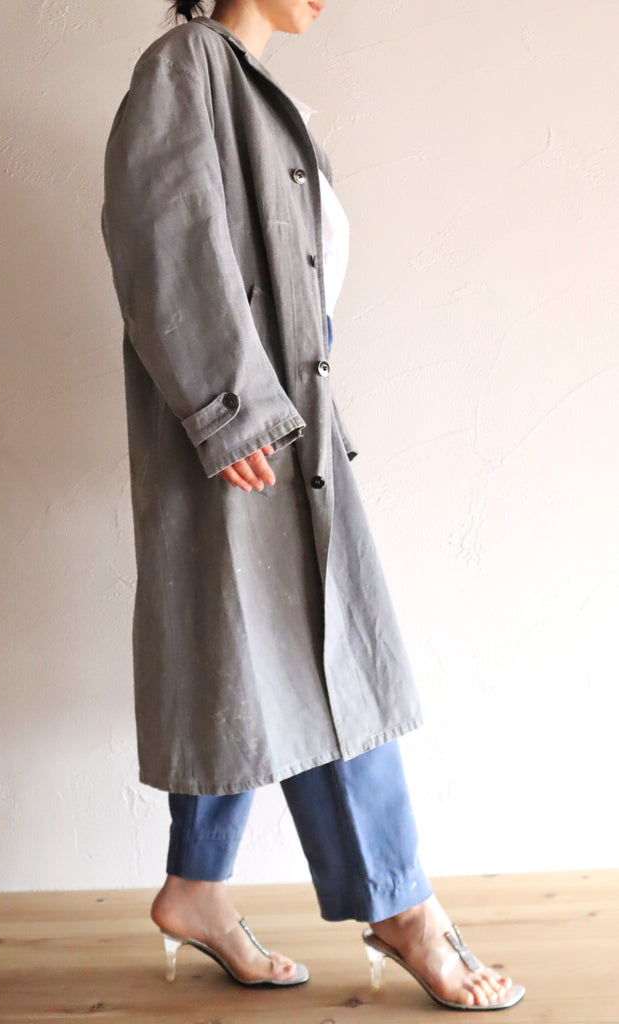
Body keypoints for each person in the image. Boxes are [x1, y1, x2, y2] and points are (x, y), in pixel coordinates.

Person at [100, 0, 525, 1010]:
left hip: (285, 427)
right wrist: (227, 407)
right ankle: (399, 905)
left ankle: (197, 883)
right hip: (248, 428)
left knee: (244, 649)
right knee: (324, 658)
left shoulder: (244, 86)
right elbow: (161, 231)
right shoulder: (186, 63)